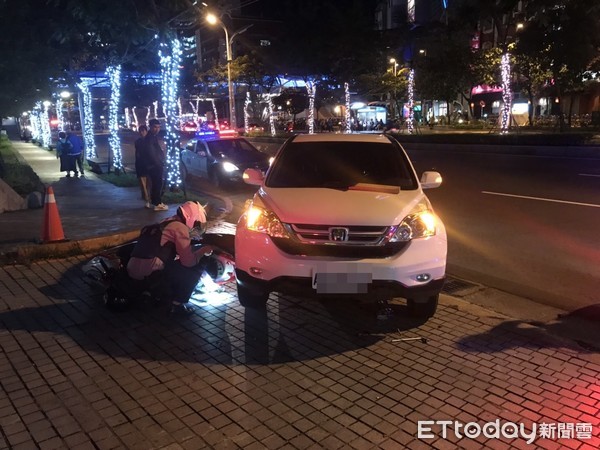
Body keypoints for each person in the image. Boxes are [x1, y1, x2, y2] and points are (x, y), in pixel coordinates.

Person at [126, 201, 214, 314]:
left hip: (134, 271)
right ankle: (177, 304)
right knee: (196, 265)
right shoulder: (180, 228)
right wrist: (204, 250)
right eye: (197, 225)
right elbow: (188, 262)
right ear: (191, 217)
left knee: (176, 264)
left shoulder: (165, 223)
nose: (196, 229)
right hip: (151, 273)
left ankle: (152, 292)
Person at [144, 118, 168, 211]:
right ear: (150, 127)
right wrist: (158, 163)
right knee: (157, 184)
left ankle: (155, 202)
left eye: (158, 127)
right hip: (154, 165)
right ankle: (157, 203)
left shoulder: (152, 136)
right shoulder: (150, 137)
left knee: (156, 184)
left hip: (154, 164)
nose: (157, 129)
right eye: (155, 127)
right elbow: (151, 152)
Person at [134, 125, 151, 208]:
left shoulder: (150, 141)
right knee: (143, 184)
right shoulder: (137, 142)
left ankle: (150, 199)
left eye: (143, 131)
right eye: (140, 131)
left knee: (149, 183)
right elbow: (137, 153)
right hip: (140, 164)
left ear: (146, 131)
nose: (141, 133)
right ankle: (147, 200)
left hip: (149, 164)